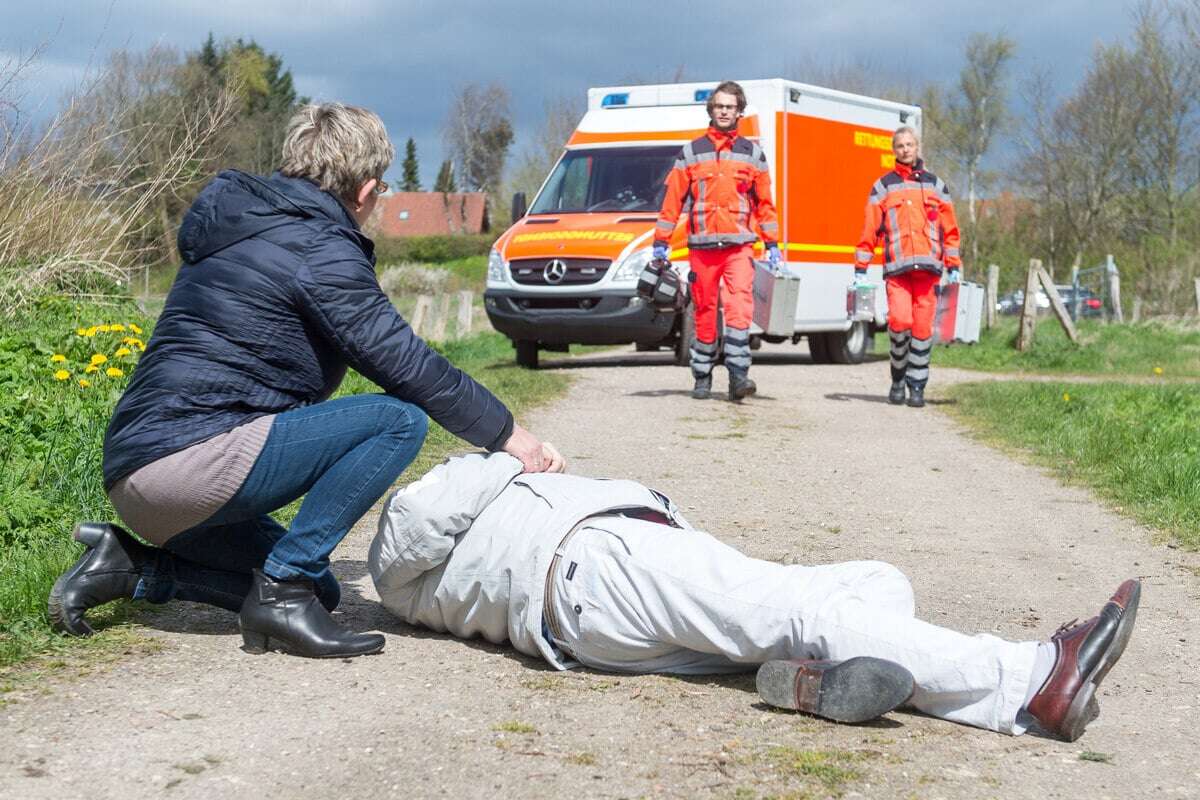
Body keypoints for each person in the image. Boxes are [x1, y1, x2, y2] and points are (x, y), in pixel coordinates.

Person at [49, 103, 555, 659]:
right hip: (190, 468)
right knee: (396, 421)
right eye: (382, 188)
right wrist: (510, 434)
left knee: (324, 589)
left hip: (136, 477)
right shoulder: (319, 247)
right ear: (365, 189)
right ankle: (282, 591)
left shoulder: (240, 226)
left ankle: (132, 568)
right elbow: (405, 364)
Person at [369, 451, 1139, 740]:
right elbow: (426, 515)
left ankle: (816, 683)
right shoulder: (418, 511)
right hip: (600, 569)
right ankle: (1033, 675)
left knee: (878, 585)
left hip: (601, 610)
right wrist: (511, 448)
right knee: (805, 612)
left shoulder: (431, 584)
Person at [653, 80, 780, 402]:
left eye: (731, 107)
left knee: (739, 309)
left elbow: (765, 204)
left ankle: (739, 376)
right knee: (705, 311)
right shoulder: (692, 152)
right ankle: (702, 376)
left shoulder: (753, 154)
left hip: (739, 246)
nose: (724, 111)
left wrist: (774, 243)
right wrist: (661, 241)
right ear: (711, 109)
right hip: (702, 248)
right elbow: (673, 200)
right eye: (719, 106)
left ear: (740, 111)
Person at [855, 126, 961, 408]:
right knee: (900, 323)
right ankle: (898, 376)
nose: (905, 149)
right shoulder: (883, 187)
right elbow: (870, 228)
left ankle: (917, 387)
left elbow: (950, 229)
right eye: (900, 145)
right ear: (894, 150)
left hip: (928, 271)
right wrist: (861, 265)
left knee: (923, 329)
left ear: (918, 147)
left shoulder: (937, 186)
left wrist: (953, 264)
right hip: (897, 271)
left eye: (910, 144)